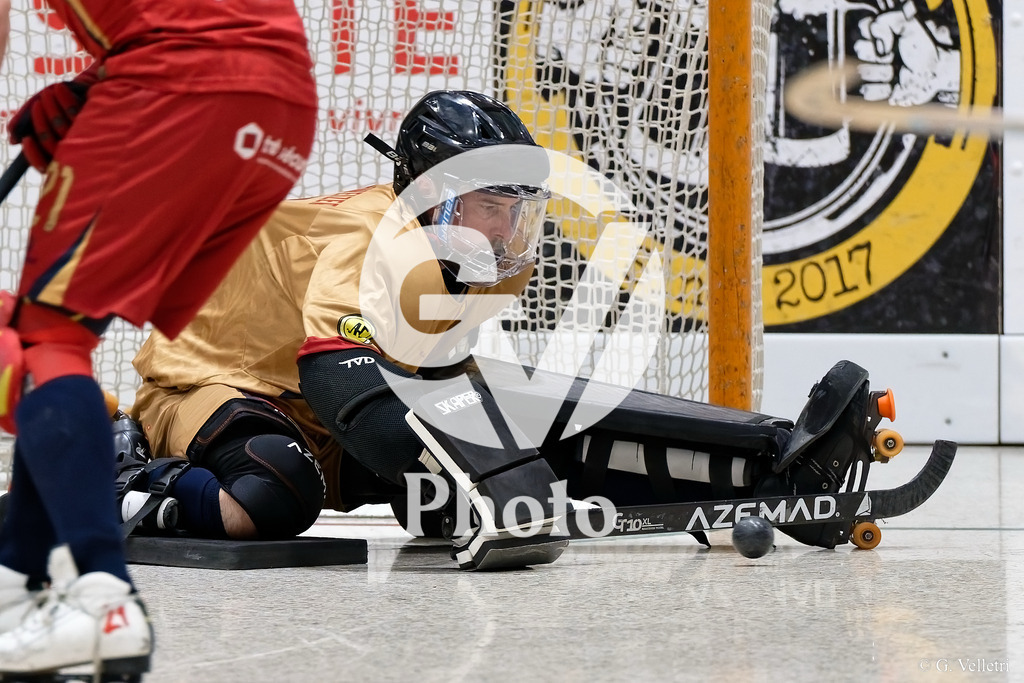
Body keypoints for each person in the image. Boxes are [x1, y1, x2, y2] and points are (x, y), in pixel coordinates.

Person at [119, 88, 892, 572]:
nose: (508, 225)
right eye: (491, 205)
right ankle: (121, 479)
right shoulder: (370, 238)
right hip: (215, 378)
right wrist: (492, 469)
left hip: (326, 400)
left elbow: (471, 398)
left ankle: (767, 459)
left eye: (518, 206)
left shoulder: (483, 258)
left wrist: (729, 480)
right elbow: (344, 385)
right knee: (274, 486)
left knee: (494, 450)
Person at [0, 0, 317, 678]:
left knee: (43, 341)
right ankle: (13, 586)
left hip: (184, 77)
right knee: (61, 335)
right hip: (280, 104)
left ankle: (101, 596)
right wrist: (95, 85)